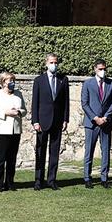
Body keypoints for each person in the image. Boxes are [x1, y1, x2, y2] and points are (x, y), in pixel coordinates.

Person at [31, 54, 69, 191]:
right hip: (42, 121)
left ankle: (51, 180)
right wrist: (35, 121)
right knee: (40, 152)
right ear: (46, 63)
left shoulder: (63, 80)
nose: (54, 64)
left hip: (57, 122)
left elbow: (66, 102)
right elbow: (35, 102)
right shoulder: (39, 80)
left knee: (54, 152)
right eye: (52, 62)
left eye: (56, 62)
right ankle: (38, 180)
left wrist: (65, 119)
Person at [81, 60, 112, 189]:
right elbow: (84, 103)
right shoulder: (88, 83)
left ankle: (104, 178)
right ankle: (87, 177)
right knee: (89, 151)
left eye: (104, 69)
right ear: (95, 69)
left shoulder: (111, 83)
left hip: (106, 123)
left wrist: (106, 117)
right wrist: (95, 118)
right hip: (91, 123)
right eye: (100, 69)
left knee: (106, 151)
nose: (103, 71)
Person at [0, 71, 25, 191]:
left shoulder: (18, 94)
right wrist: (6, 112)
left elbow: (24, 110)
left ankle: (10, 183)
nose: (12, 83)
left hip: (15, 130)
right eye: (10, 80)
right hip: (1, 130)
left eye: (13, 80)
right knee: (1, 159)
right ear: (3, 82)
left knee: (12, 159)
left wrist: (19, 112)